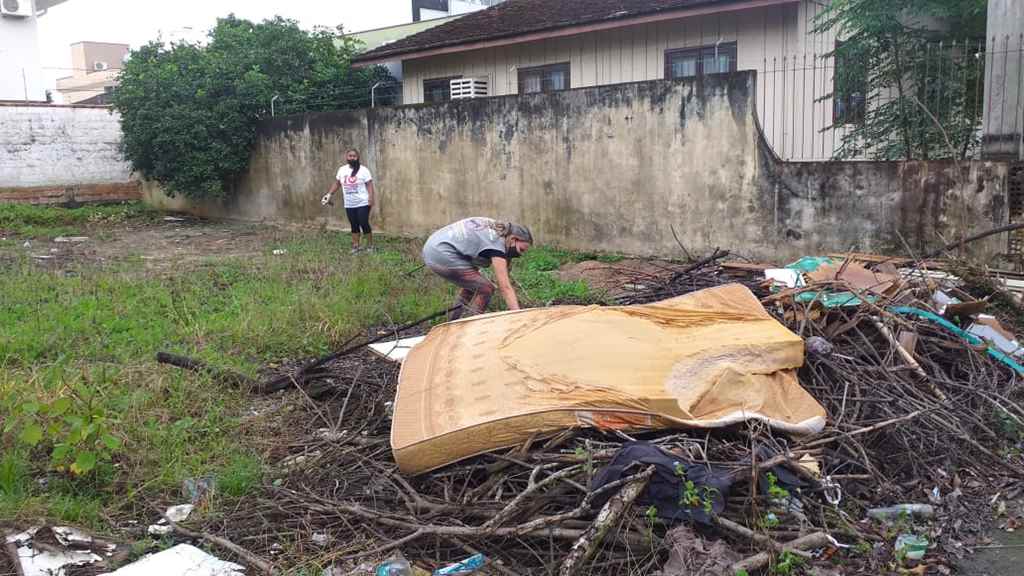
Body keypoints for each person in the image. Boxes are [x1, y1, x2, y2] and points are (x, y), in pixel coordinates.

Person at [422, 217, 533, 320]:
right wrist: (518, 316)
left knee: (473, 287)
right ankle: (471, 327)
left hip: (433, 245)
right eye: (521, 250)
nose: (520, 255)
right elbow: (505, 287)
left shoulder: (498, 228)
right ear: (513, 239)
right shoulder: (497, 244)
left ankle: (452, 323)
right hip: (441, 253)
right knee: (485, 289)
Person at [323, 149, 375, 253]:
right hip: (349, 204)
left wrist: (371, 197)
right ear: (347, 157)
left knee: (363, 223)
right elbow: (337, 183)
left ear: (358, 157)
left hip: (363, 202)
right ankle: (356, 246)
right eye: (350, 156)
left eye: (354, 156)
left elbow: (369, 184)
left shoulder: (364, 170)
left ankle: (370, 246)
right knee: (354, 224)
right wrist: (329, 194)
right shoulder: (342, 170)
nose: (352, 158)